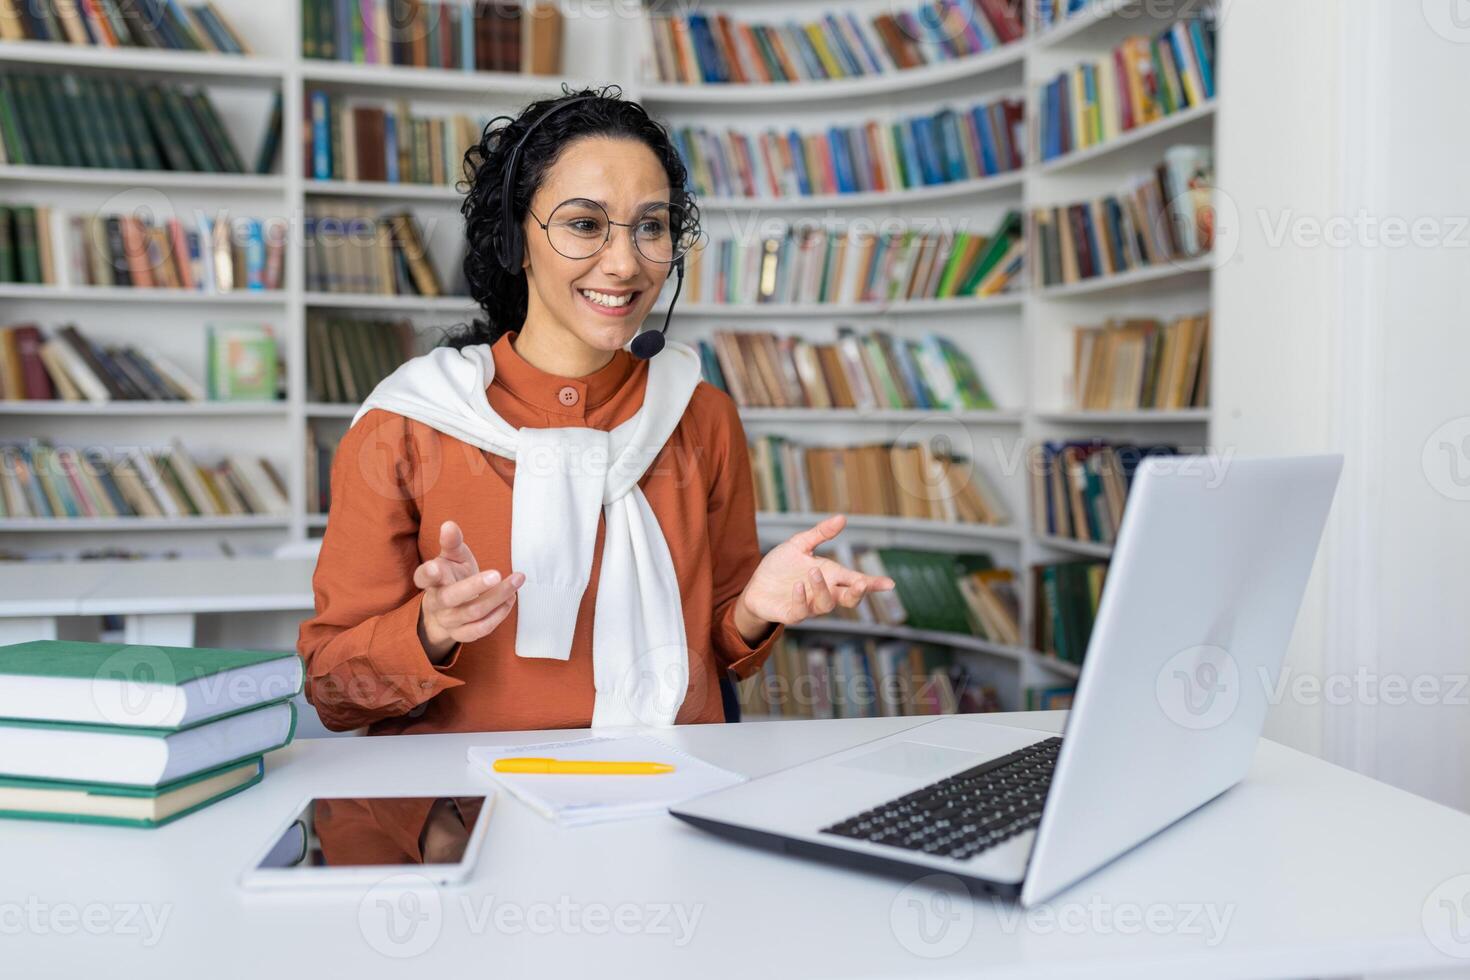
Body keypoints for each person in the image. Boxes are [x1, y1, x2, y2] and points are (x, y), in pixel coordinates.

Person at [297, 85, 895, 735]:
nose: (623, 263)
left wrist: (754, 606)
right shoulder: (408, 422)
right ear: (516, 239)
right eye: (584, 224)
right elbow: (332, 692)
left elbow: (715, 650)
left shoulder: (701, 413)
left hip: (669, 792)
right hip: (469, 810)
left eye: (650, 226)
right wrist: (430, 629)